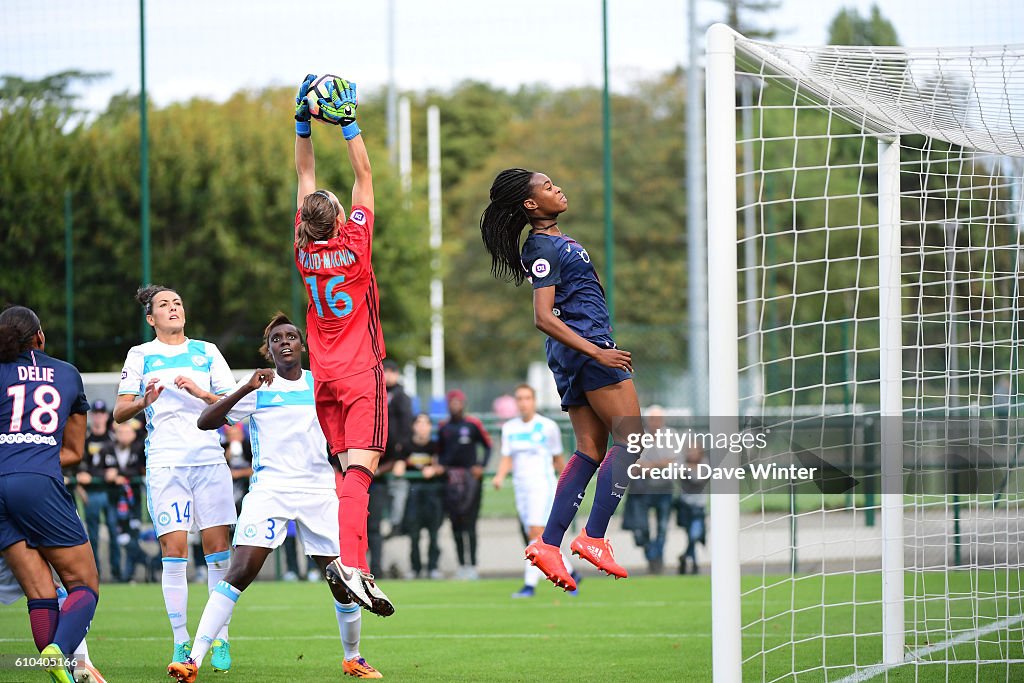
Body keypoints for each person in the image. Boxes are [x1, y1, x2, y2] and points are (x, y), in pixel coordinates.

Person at [167, 313, 382, 682]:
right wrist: (246, 387)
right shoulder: (258, 387)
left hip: (318, 492)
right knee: (240, 571)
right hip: (271, 491)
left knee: (341, 581)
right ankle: (195, 659)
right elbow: (206, 421)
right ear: (268, 351)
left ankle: (353, 658)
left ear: (302, 346)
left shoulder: (321, 385)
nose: (285, 342)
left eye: (291, 336)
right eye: (277, 339)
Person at [480, 168, 644, 590]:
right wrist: (596, 351)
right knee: (633, 441)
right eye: (548, 187)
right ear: (531, 204)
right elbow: (542, 316)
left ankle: (549, 544)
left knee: (590, 450)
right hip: (588, 349)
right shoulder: (542, 247)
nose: (558, 188)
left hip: (575, 354)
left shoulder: (551, 241)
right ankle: (593, 536)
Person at [292, 74, 393, 616]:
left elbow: (305, 172)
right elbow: (364, 175)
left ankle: (361, 568)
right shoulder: (355, 245)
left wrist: (302, 123)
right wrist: (348, 123)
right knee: (362, 472)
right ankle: (351, 565)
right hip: (360, 374)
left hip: (323, 378)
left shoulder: (304, 251)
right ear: (339, 218)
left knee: (347, 475)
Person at [113, 285, 237, 669]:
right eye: (164, 305)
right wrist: (143, 402)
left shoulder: (207, 351)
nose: (173, 308)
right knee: (175, 552)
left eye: (178, 303)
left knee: (219, 552)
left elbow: (233, 406)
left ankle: (219, 639)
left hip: (208, 461)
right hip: (166, 463)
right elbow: (119, 412)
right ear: (151, 318)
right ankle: (181, 641)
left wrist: (202, 393)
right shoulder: (141, 354)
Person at [0, 305, 100, 682]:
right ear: (40, 337)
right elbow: (73, 452)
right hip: (38, 481)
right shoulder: (68, 374)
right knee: (83, 585)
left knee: (40, 593)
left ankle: (64, 672)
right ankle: (60, 653)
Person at [493, 383, 578, 597]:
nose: (523, 403)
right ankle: (571, 572)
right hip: (521, 487)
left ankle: (529, 585)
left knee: (535, 532)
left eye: (527, 398)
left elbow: (558, 459)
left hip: (542, 484)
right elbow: (507, 457)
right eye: (519, 398)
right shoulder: (510, 428)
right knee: (537, 537)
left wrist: (570, 484)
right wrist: (500, 476)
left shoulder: (547, 426)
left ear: (534, 401)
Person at [436, 389, 492, 580]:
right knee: (455, 523)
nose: (455, 405)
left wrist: (481, 466)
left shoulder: (473, 424)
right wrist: (441, 467)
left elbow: (488, 445)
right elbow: (440, 453)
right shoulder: (444, 427)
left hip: (471, 479)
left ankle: (473, 565)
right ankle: (461, 565)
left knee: (471, 523)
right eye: (452, 402)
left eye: (458, 402)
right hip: (451, 480)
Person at [621, 406, 676, 574]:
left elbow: (672, 461)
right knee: (641, 530)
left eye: (658, 419)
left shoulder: (671, 436)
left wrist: (649, 465)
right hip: (642, 489)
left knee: (662, 528)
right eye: (652, 419)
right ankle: (652, 555)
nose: (655, 423)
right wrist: (654, 465)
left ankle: (655, 559)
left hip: (664, 488)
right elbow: (632, 462)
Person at [99, 420, 149, 582]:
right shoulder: (106, 448)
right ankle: (118, 571)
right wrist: (106, 475)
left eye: (127, 432)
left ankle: (130, 572)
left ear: (134, 435)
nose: (124, 436)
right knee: (116, 534)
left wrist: (120, 474)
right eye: (121, 432)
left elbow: (143, 468)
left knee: (133, 535)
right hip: (114, 499)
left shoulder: (139, 449)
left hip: (133, 501)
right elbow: (96, 469)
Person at [77, 402, 120, 582]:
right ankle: (95, 574)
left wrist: (113, 473)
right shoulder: (84, 439)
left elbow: (118, 469)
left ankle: (118, 573)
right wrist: (81, 485)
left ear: (105, 415)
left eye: (102, 413)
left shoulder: (113, 438)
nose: (98, 416)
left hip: (110, 493)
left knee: (114, 533)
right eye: (95, 413)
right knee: (92, 536)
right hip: (91, 494)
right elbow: (79, 471)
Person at [401, 413, 444, 580]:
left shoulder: (435, 446)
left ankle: (433, 567)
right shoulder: (407, 446)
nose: (422, 426)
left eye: (426, 423)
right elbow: (399, 463)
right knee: (414, 535)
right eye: (419, 423)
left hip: (432, 496)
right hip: (414, 497)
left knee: (433, 535)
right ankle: (415, 568)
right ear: (414, 426)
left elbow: (440, 465)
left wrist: (435, 468)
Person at [383, 359, 413, 533]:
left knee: (397, 490)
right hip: (380, 455)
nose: (386, 375)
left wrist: (401, 455)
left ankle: (397, 524)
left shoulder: (401, 396)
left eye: (389, 371)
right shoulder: (377, 393)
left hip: (395, 456)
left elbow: (406, 425)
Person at [677, 445, 708, 575]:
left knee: (694, 535)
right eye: (690, 451)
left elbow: (699, 478)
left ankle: (686, 557)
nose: (692, 453)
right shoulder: (682, 464)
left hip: (699, 507)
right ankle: (694, 564)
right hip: (686, 506)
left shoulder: (705, 463)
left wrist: (689, 468)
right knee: (691, 536)